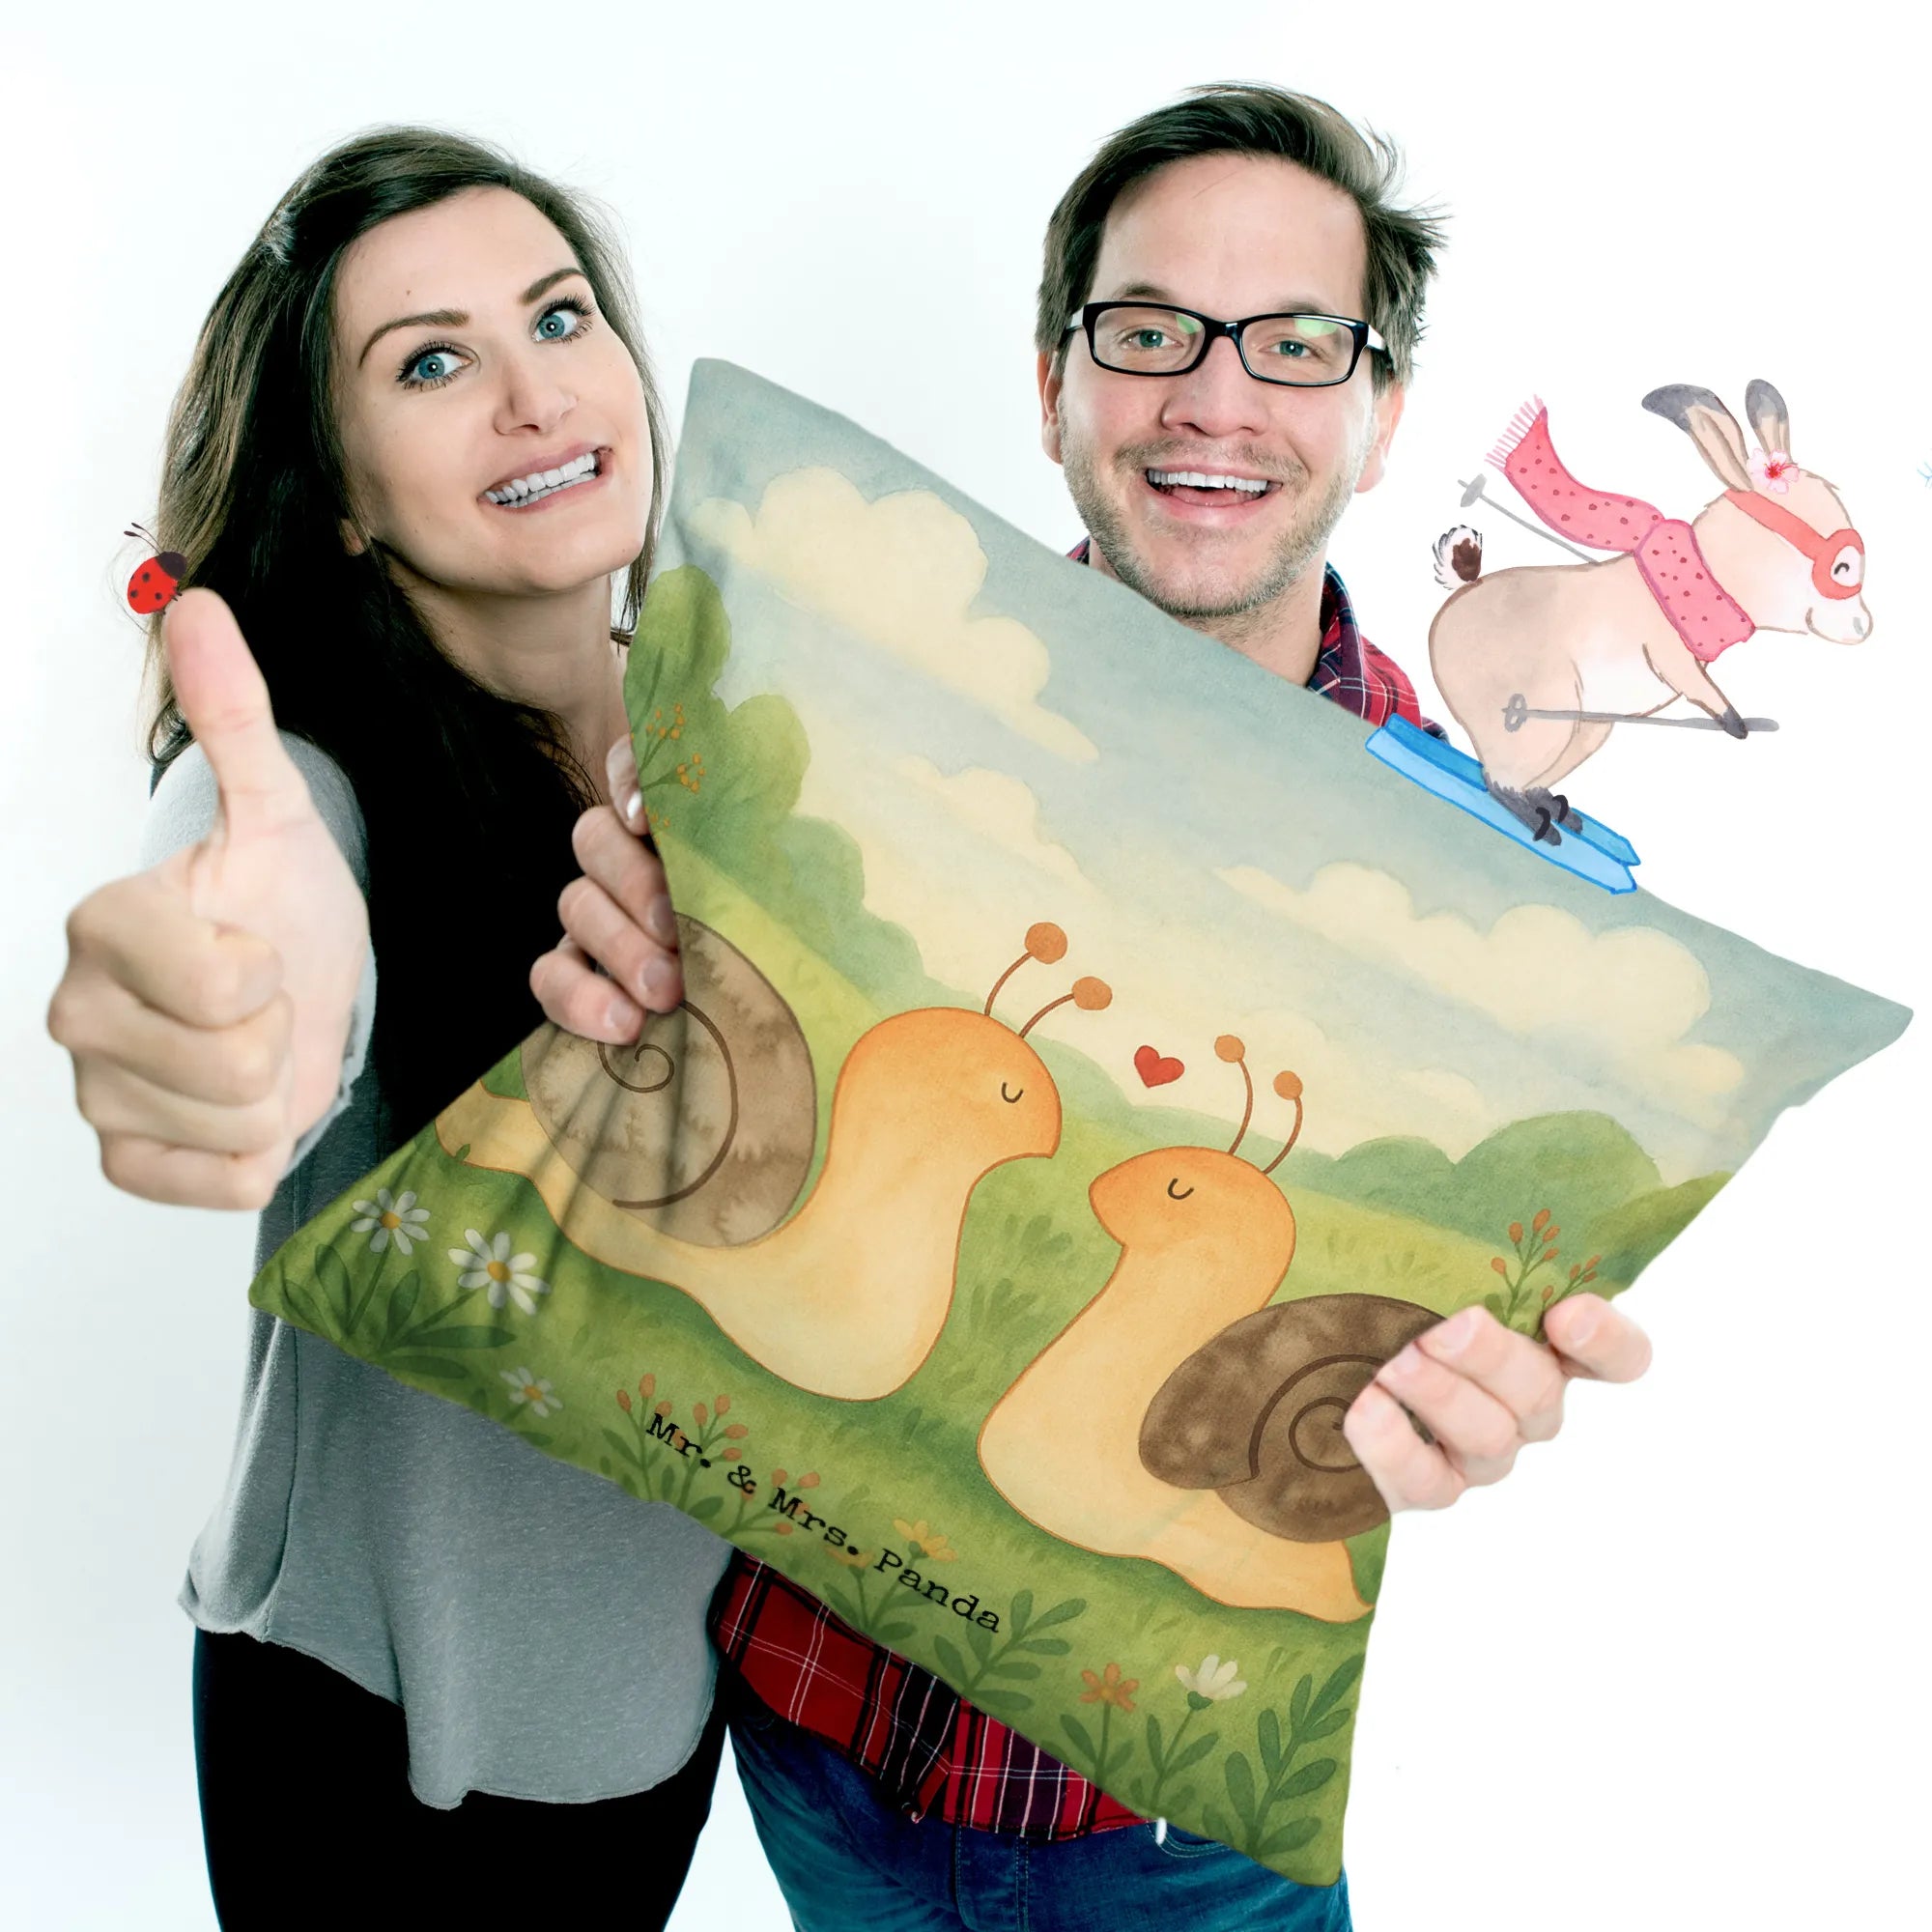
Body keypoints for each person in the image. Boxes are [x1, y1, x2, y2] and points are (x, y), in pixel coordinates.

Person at [533, 84, 1656, 1931]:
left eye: (1297, 343)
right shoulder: (838, 718)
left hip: (1178, 1831)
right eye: (1150, 332)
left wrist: (1470, 1393)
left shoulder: (1490, 906)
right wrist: (633, 1004)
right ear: (1054, 384)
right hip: (805, 1742)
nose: (1216, 398)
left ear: (1380, 418)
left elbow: (1397, 1347)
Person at [44, 130, 735, 1926]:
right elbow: (253, 904)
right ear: (343, 495)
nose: (533, 395)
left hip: (659, 1709)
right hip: (378, 1738)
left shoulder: (734, 736)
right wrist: (221, 1004)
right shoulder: (310, 781)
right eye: (431, 363)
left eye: (559, 318)